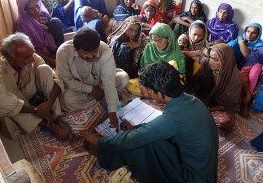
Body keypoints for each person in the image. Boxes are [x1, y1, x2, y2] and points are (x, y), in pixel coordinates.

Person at [81, 61, 219, 183]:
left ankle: (107, 157)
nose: (147, 94)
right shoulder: (191, 100)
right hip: (205, 174)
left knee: (139, 145)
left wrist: (100, 143)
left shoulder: (173, 119)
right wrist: (135, 129)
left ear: (159, 93)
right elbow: (157, 129)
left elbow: (134, 138)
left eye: (149, 91)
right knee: (145, 136)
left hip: (192, 179)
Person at [0, 33, 71, 141]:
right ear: (11, 59)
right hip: (20, 109)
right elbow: (4, 104)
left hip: (36, 100)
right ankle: (49, 126)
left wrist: (48, 104)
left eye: (32, 54)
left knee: (44, 69)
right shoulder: (0, 71)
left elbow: (56, 79)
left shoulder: (34, 58)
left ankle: (57, 117)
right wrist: (36, 110)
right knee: (8, 101)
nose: (32, 59)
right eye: (27, 57)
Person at [56, 27, 129, 128]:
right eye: (85, 53)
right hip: (78, 89)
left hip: (100, 84)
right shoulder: (63, 52)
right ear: (76, 49)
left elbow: (108, 82)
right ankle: (105, 97)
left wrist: (113, 110)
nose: (91, 56)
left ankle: (105, 97)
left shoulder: (105, 51)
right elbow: (67, 81)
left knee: (124, 78)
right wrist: (91, 90)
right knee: (65, 100)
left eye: (94, 52)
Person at [191, 43, 242, 130]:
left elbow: (229, 104)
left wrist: (208, 109)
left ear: (225, 60)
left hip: (221, 105)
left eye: (215, 59)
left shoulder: (235, 78)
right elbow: (197, 58)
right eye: (210, 57)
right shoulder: (208, 63)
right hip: (206, 97)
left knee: (226, 121)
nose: (211, 61)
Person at [15, 0, 64, 66]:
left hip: (51, 49)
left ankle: (60, 52)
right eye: (31, 8)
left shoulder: (43, 15)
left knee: (55, 21)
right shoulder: (22, 25)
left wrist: (56, 55)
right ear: (24, 10)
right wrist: (52, 60)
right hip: (40, 54)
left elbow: (53, 32)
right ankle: (53, 60)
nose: (37, 10)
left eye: (37, 6)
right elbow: (31, 50)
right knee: (42, 67)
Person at [178, 20, 210, 89]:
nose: (196, 38)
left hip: (196, 63)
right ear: (190, 32)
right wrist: (196, 53)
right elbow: (177, 53)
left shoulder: (204, 42)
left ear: (204, 35)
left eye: (200, 35)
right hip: (182, 64)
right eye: (194, 34)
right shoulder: (183, 38)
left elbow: (208, 56)